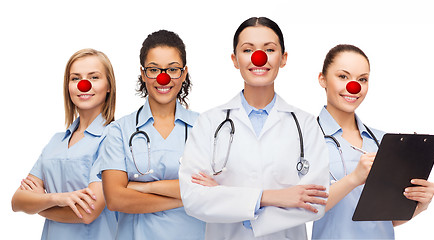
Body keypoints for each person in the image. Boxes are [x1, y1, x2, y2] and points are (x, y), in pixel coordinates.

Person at [179, 17, 329, 240]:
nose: (259, 58)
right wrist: (270, 197)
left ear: (283, 58)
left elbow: (315, 203)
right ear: (235, 59)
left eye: (269, 49)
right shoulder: (209, 123)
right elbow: (193, 199)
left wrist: (224, 196)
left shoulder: (305, 125)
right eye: (248, 50)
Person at [311, 44, 434, 239]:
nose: (354, 87)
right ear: (322, 79)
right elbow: (305, 208)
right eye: (343, 76)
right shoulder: (305, 138)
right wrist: (353, 179)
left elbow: (385, 220)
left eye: (362, 79)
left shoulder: (382, 141)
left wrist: (419, 204)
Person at [99, 30, 205, 240]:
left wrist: (144, 187)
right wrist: (185, 198)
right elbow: (115, 199)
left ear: (184, 74)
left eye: (173, 69)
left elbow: (215, 191)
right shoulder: (119, 131)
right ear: (143, 73)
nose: (163, 78)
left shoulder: (205, 127)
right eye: (154, 69)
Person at [11, 48, 117, 239]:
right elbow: (17, 201)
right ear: (68, 86)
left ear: (109, 86)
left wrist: (38, 206)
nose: (84, 85)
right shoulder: (55, 141)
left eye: (94, 77)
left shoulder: (114, 138)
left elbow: (87, 212)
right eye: (75, 78)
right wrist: (57, 198)